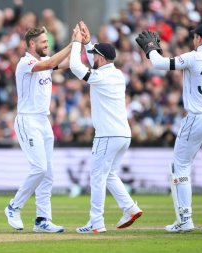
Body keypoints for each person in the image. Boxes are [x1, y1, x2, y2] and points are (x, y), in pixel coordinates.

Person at [135, 23, 202, 234]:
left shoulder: (193, 57)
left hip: (198, 117)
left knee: (179, 166)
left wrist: (151, 48)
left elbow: (159, 64)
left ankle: (185, 219)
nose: (193, 39)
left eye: (194, 37)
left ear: (198, 38)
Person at [69, 21, 143, 234]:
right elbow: (95, 60)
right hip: (123, 135)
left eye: (94, 55)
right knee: (109, 173)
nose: (93, 58)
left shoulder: (101, 77)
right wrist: (87, 42)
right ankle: (130, 207)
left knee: (98, 176)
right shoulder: (117, 74)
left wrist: (76, 43)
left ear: (101, 58)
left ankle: (96, 222)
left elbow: (76, 67)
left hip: (108, 135)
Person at [4, 26, 72, 233]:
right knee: (40, 168)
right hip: (27, 120)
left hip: (43, 121)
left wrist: (85, 47)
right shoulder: (26, 62)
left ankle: (42, 220)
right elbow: (51, 63)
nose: (47, 45)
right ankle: (13, 207)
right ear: (32, 44)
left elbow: (67, 63)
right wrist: (72, 44)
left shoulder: (45, 62)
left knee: (48, 173)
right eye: (44, 42)